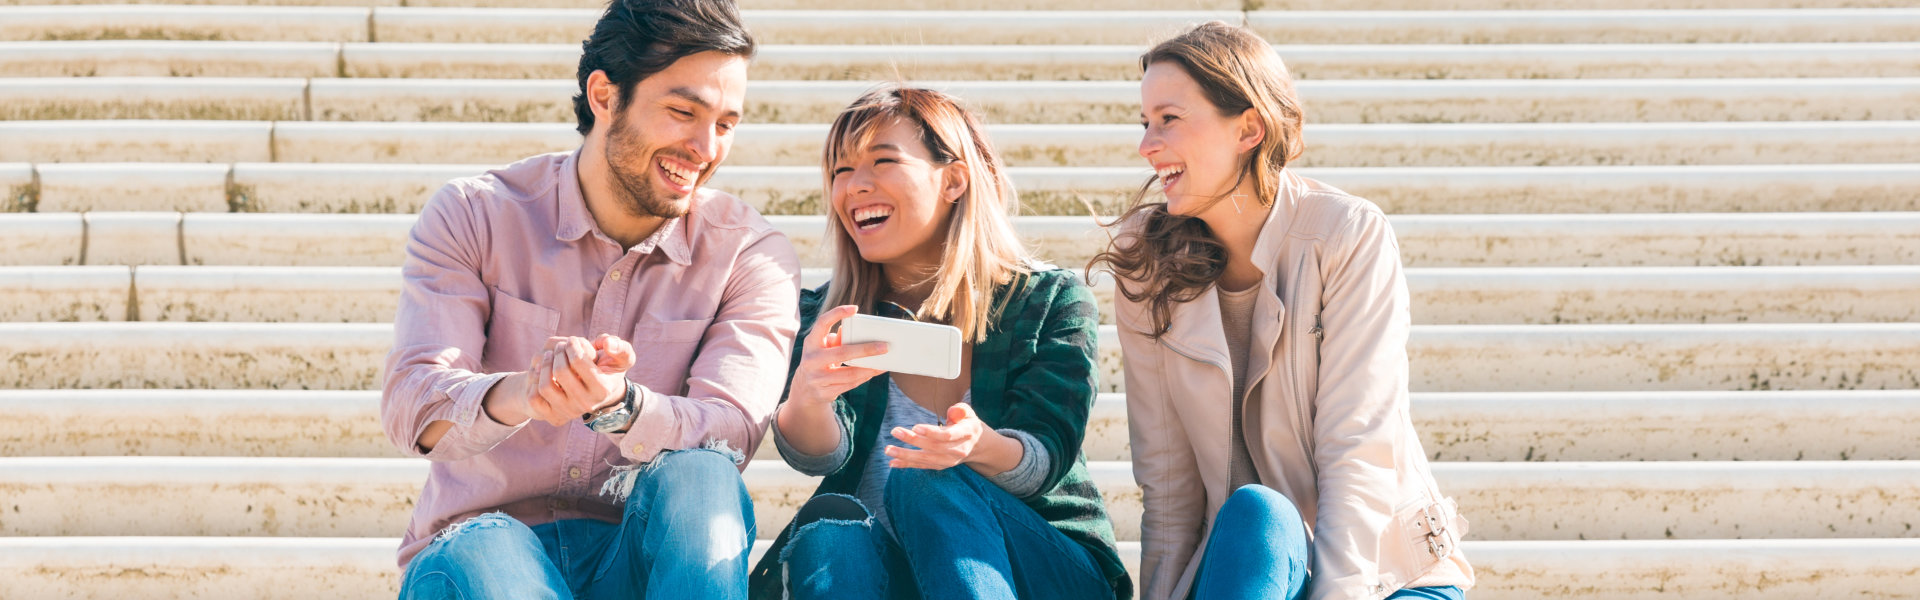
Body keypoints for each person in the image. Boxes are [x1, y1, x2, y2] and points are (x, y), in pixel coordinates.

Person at [378, 0, 801, 597]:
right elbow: (413, 405)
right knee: (485, 546)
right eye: (683, 112)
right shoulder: (476, 215)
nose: (706, 147)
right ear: (604, 96)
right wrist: (523, 392)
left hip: (641, 558)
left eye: (726, 125)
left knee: (702, 478)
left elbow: (731, 431)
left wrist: (623, 408)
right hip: (485, 560)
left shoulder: (749, 254)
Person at [1089, 22, 1476, 600]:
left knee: (1260, 510)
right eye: (1144, 123)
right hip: (1250, 568)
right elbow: (1169, 493)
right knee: (1257, 516)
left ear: (1248, 128)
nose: (1147, 145)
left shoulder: (1345, 236)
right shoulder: (1146, 262)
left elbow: (1357, 450)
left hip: (1383, 575)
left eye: (1168, 119)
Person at [745, 86, 1131, 600]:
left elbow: (1046, 454)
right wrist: (808, 397)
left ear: (953, 179)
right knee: (828, 533)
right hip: (885, 575)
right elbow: (820, 457)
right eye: (840, 171)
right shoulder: (823, 313)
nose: (854, 187)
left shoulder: (1048, 301)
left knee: (926, 478)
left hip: (1039, 568)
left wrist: (978, 446)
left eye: (882, 161)